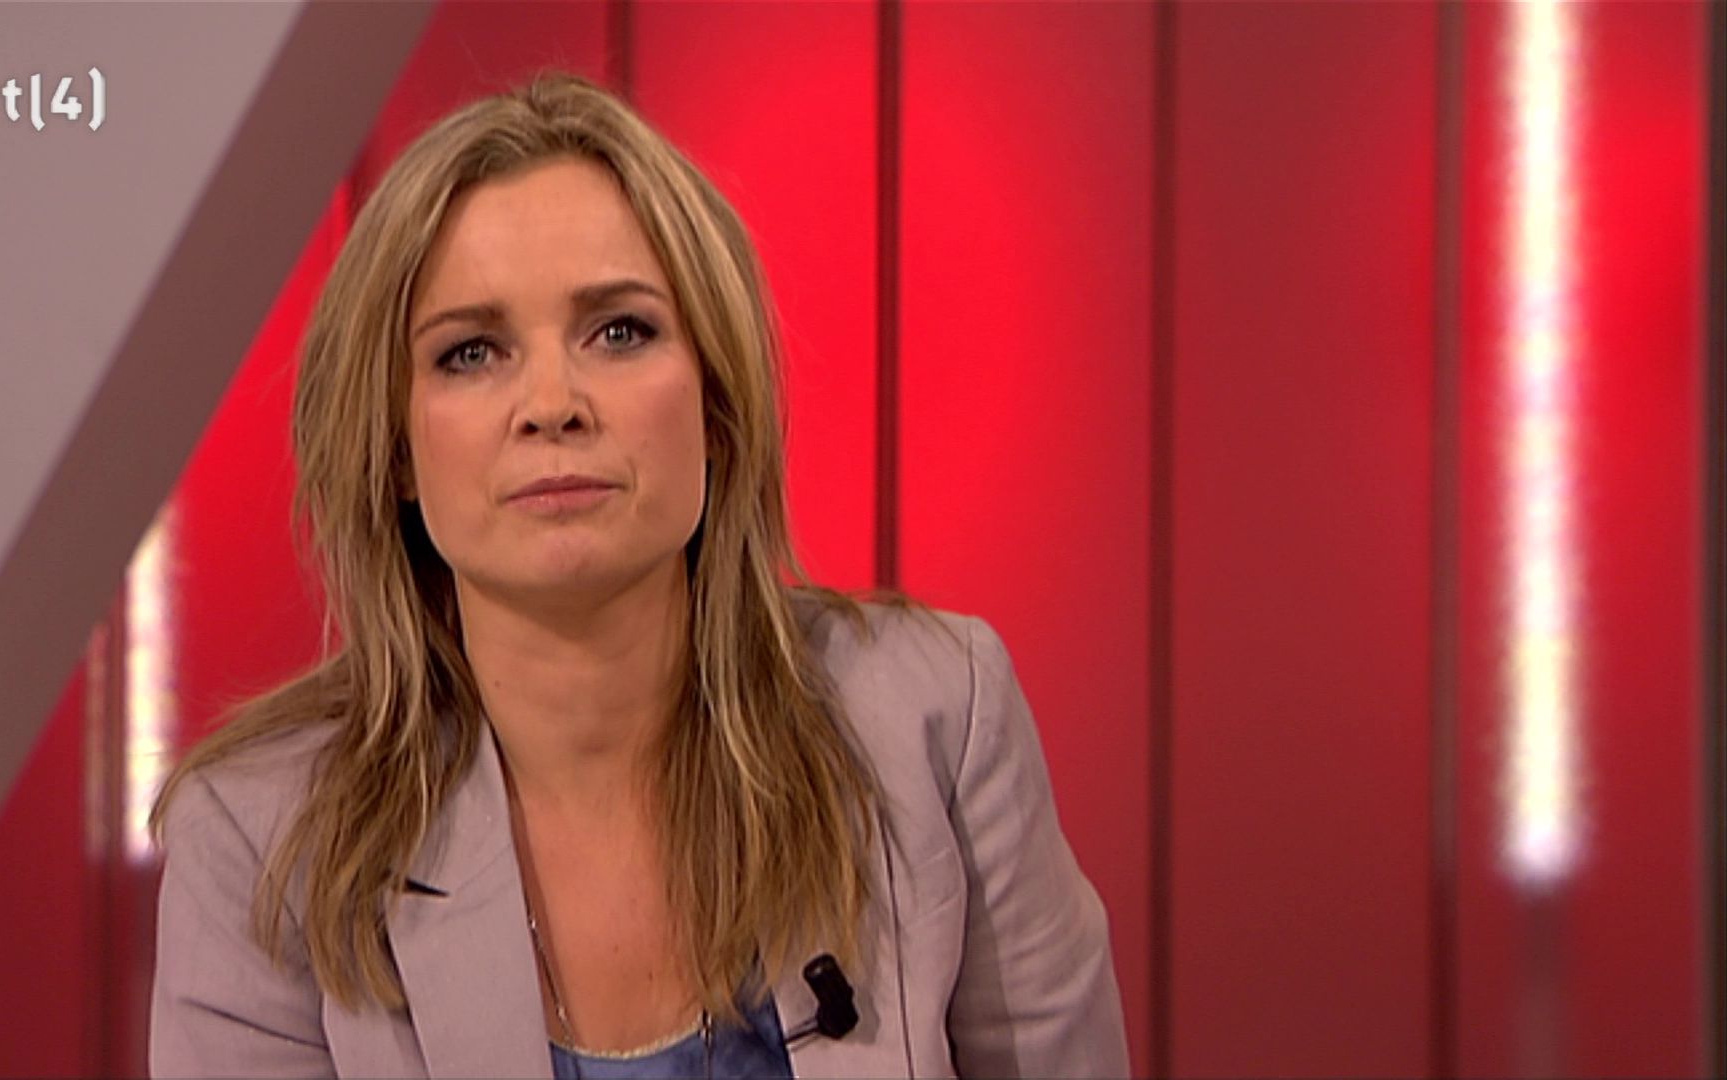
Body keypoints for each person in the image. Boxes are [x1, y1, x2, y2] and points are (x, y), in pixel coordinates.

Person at [148, 71, 1127, 1079]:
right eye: (471, 352)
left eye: (620, 331)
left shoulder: (934, 721)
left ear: (716, 404)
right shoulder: (263, 840)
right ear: (395, 448)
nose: (552, 404)